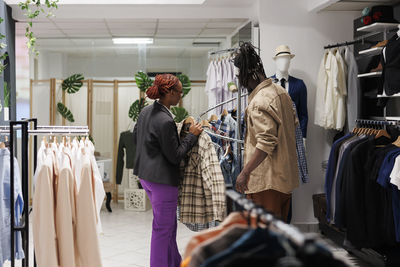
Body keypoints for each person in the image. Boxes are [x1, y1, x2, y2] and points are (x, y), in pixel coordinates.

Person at [133, 74, 203, 267]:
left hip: (147, 176)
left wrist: (151, 155)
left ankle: (174, 263)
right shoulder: (165, 120)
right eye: (179, 92)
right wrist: (192, 135)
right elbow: (175, 155)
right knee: (163, 230)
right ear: (170, 93)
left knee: (169, 227)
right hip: (163, 182)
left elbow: (135, 138)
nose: (181, 95)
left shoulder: (146, 112)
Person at [234, 42, 299, 222]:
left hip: (266, 182)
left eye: (240, 75)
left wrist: (245, 172)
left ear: (249, 74)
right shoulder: (280, 92)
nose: (239, 80)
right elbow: (293, 126)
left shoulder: (259, 102)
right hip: (284, 178)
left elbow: (265, 142)